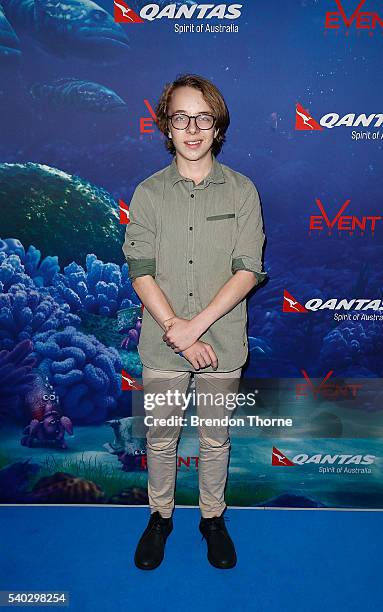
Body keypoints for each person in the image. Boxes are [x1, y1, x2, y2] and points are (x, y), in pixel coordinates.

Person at [122, 74, 267, 570]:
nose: (192, 128)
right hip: (161, 347)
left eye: (203, 117)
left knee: (214, 439)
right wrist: (175, 332)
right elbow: (139, 269)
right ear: (166, 124)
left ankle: (212, 518)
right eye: (180, 116)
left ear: (217, 127)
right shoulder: (147, 193)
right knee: (160, 439)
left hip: (222, 344)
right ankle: (160, 516)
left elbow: (248, 269)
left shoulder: (243, 191)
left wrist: (194, 328)